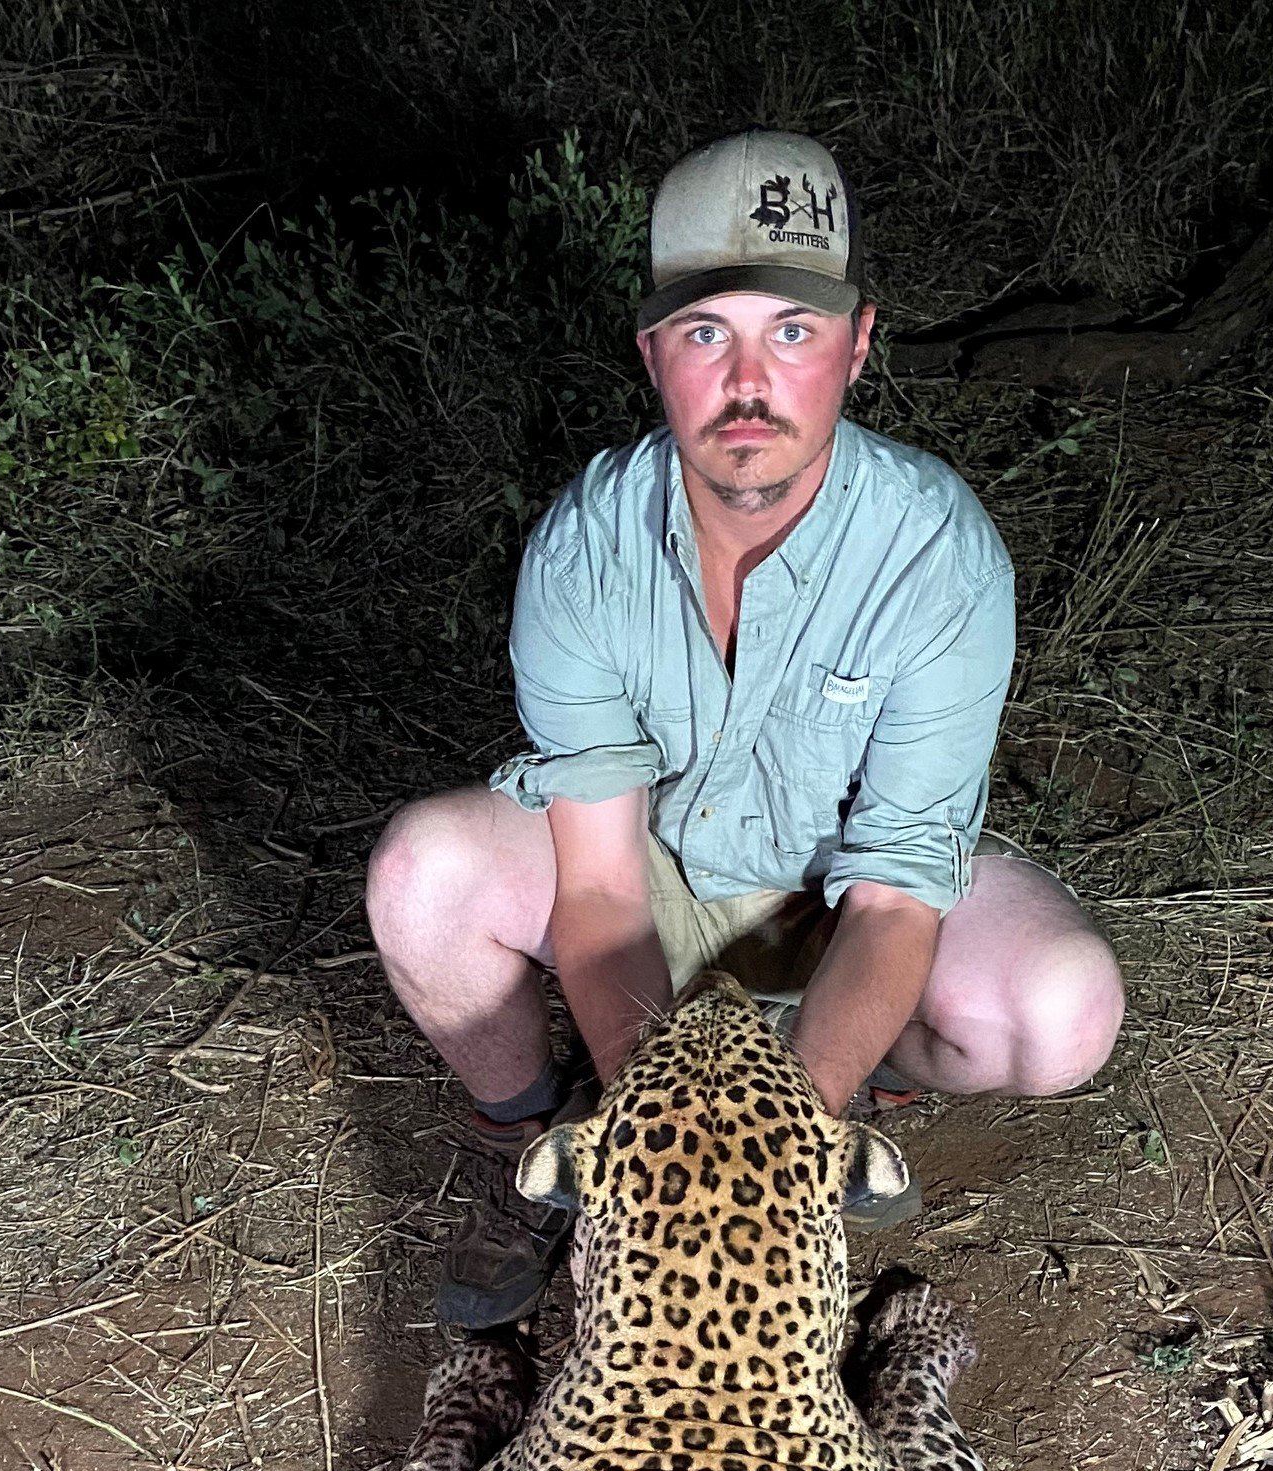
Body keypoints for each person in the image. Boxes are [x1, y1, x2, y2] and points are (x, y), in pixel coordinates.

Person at [367, 127, 1125, 1327]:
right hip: (654, 889)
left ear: (860, 344)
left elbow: (895, 891)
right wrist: (660, 1135)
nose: (750, 383)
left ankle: (845, 1078)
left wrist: (774, 1138)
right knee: (422, 875)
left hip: (841, 903)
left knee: (1062, 1011)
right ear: (654, 354)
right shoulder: (585, 546)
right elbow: (604, 888)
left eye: (795, 331)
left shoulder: (939, 553)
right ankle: (536, 1135)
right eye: (707, 332)